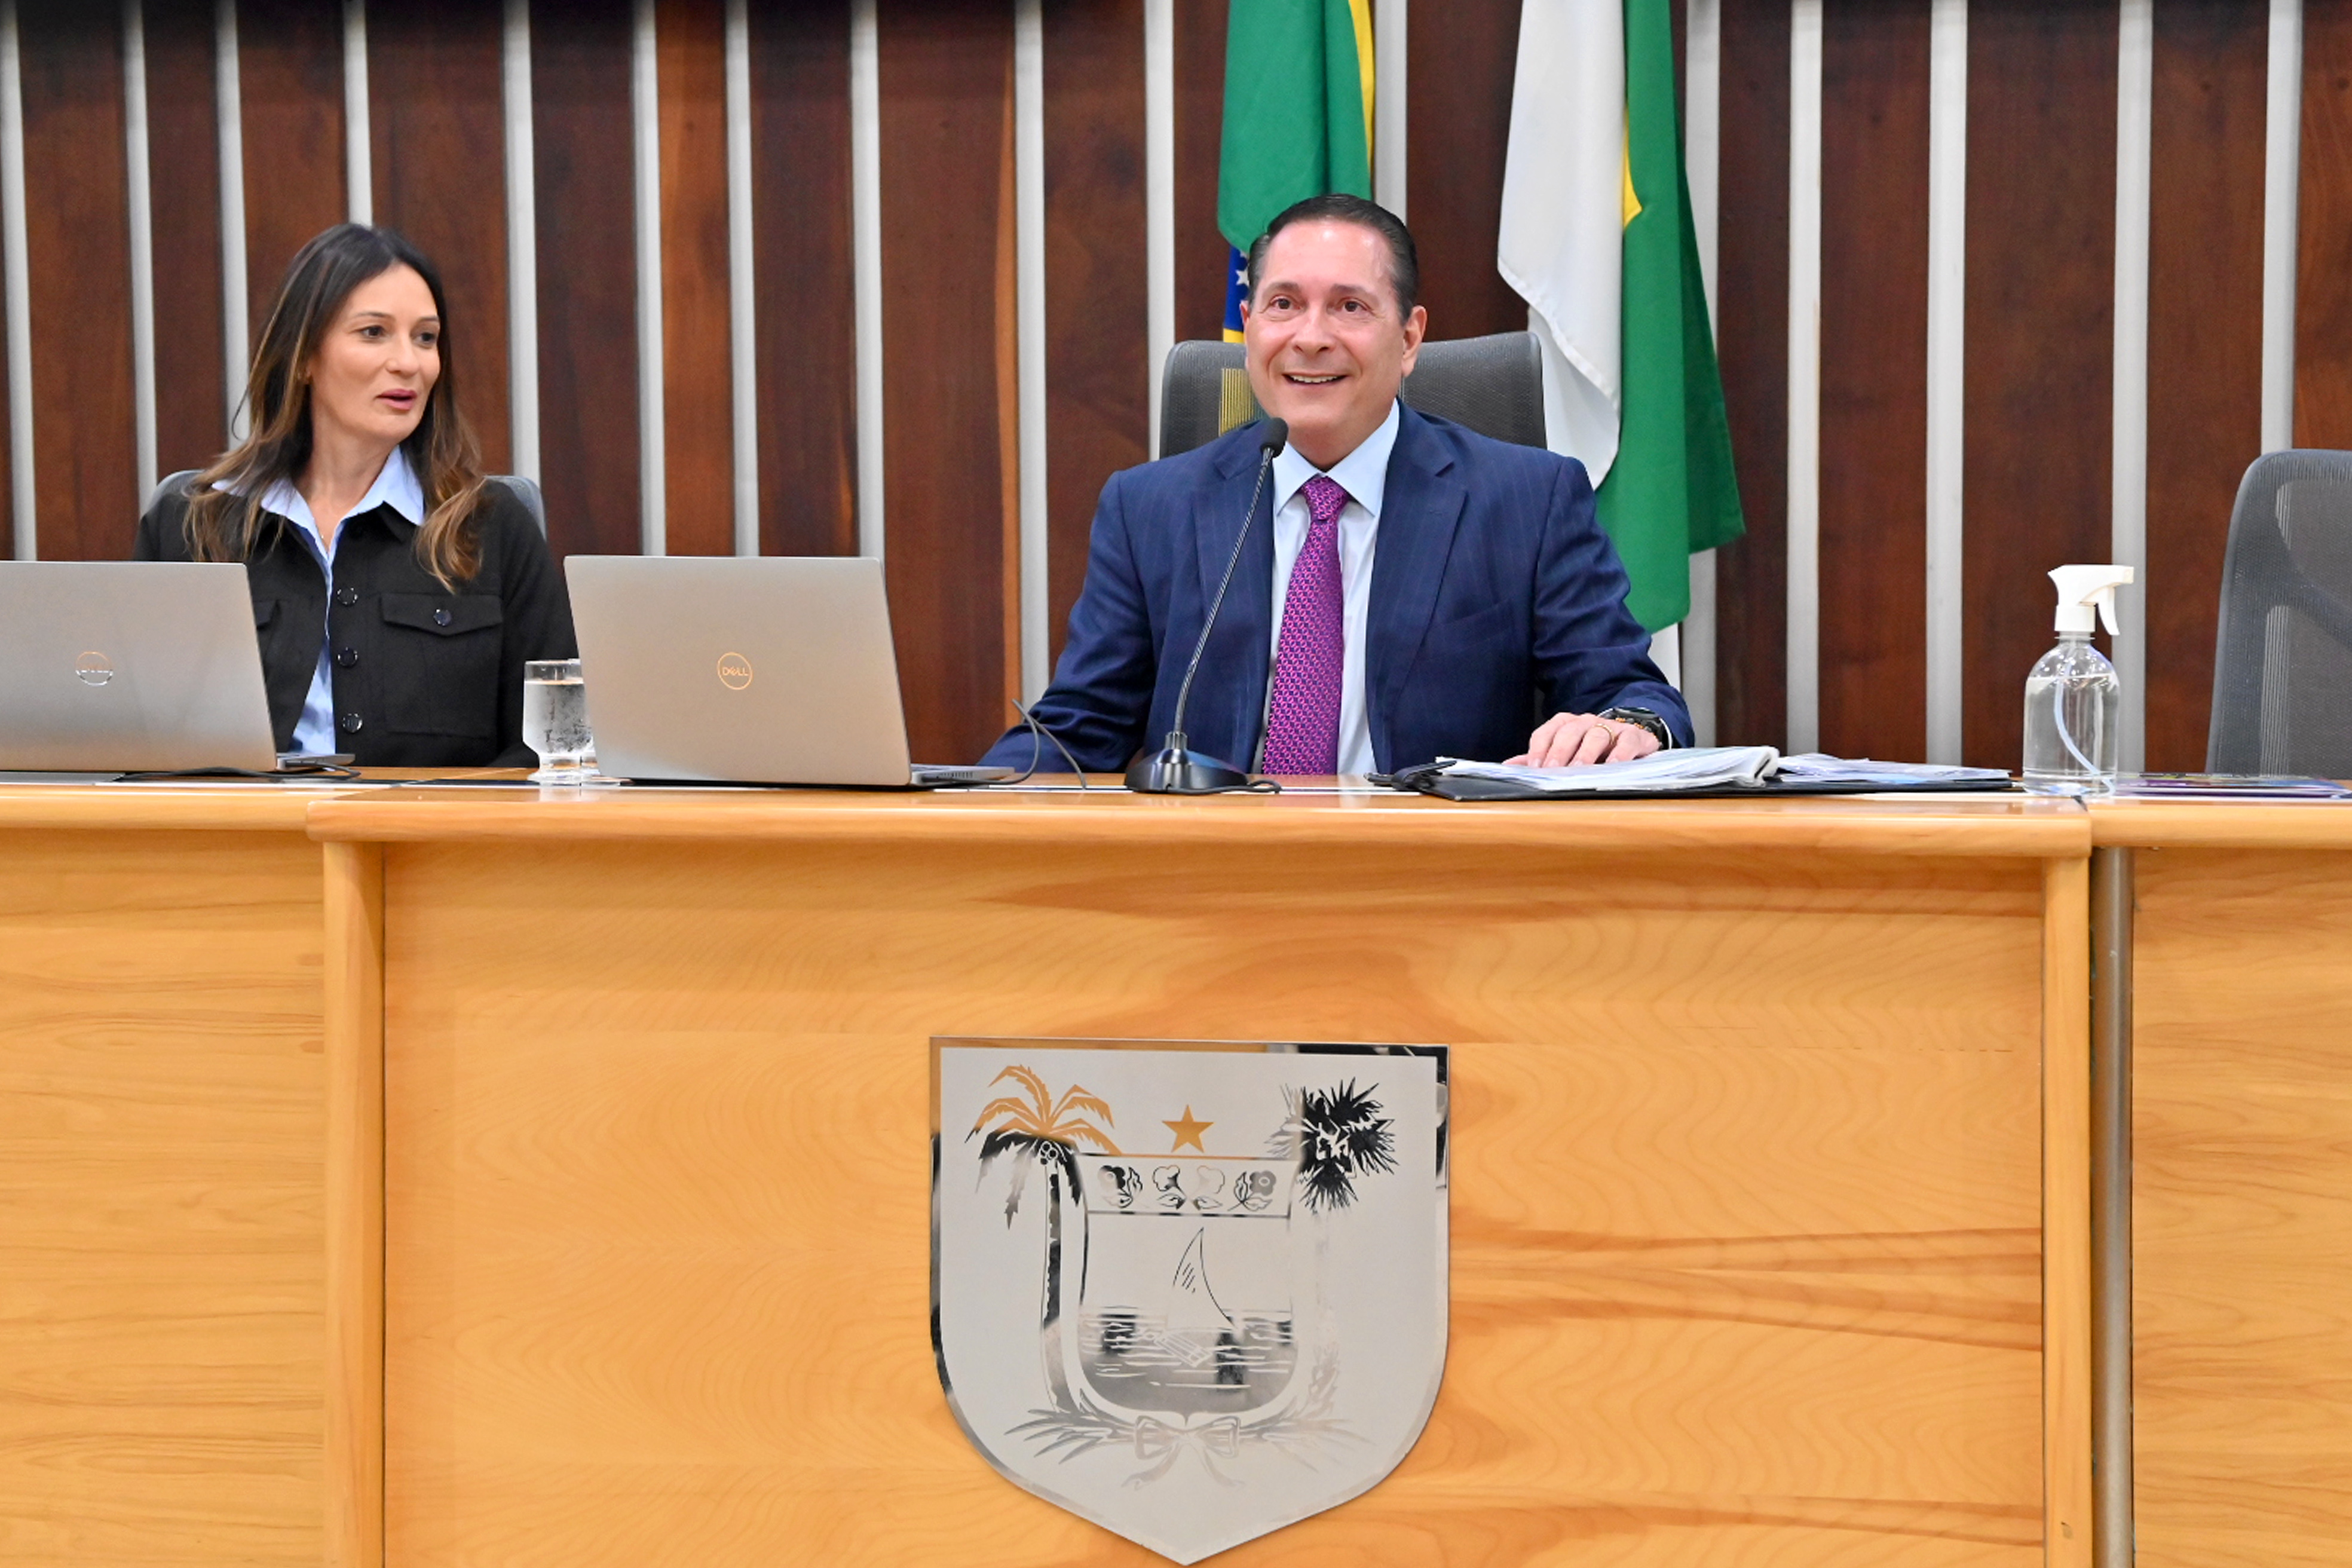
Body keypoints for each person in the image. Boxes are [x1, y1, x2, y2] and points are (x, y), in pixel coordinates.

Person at [979, 193, 1689, 777]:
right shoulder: (1151, 508)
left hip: (1435, 873)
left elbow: (1630, 694)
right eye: (1284, 304)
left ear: (1408, 339)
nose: (1311, 337)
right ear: (1250, 327)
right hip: (1213, 875)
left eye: (1350, 306)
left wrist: (1627, 725)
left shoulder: (1527, 500)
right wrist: (950, 801)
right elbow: (1079, 730)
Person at [134, 223, 572, 767]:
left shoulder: (492, 527)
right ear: (302, 357)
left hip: (432, 821)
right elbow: (140, 737)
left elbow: (550, 748)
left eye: (426, 338)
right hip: (242, 820)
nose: (409, 362)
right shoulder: (190, 524)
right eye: (373, 333)